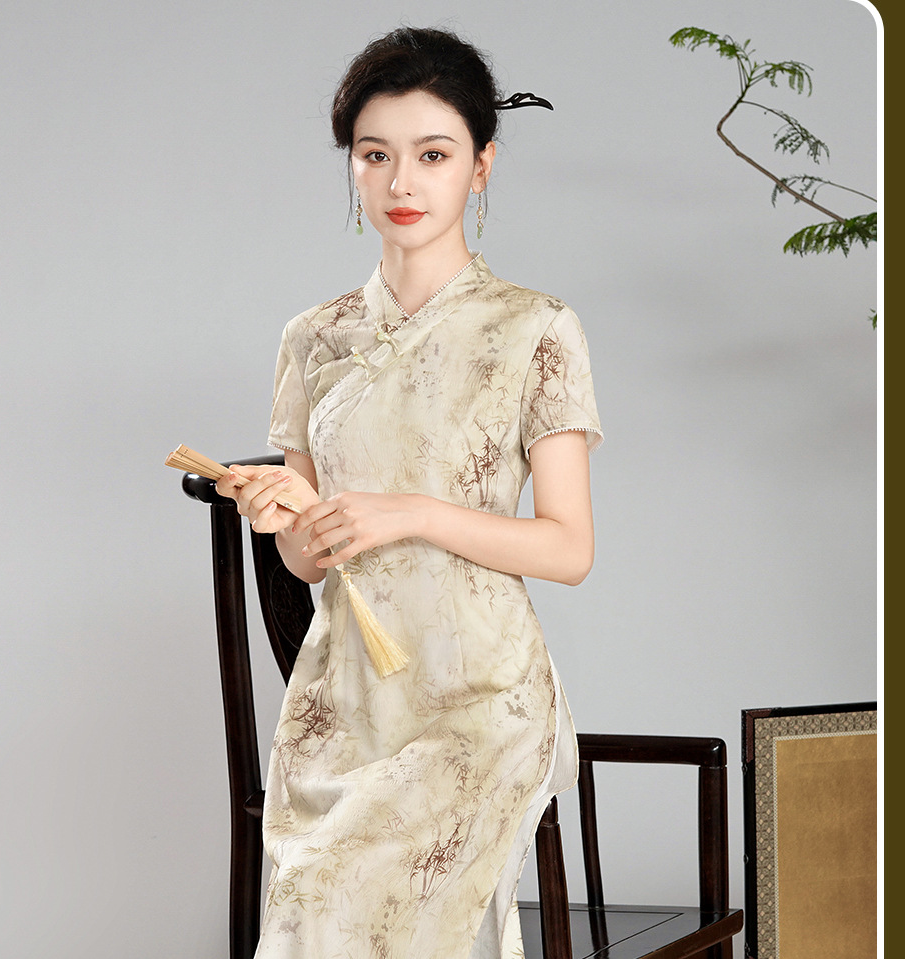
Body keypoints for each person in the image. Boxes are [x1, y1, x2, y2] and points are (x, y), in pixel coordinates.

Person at [216, 26, 602, 959]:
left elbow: (569, 549)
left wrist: (416, 513)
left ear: (481, 165)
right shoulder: (314, 336)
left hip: (480, 695)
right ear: (351, 166)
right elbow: (308, 559)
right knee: (318, 889)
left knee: (371, 888)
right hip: (346, 696)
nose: (402, 182)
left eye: (433, 155)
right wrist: (283, 521)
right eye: (374, 155)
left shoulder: (535, 329)